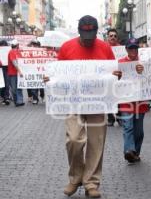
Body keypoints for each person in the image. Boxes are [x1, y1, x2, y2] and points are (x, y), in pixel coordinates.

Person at [45, 15, 121, 198]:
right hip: (73, 102)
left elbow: (114, 75)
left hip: (97, 102)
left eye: (92, 36)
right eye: (85, 35)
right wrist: (50, 80)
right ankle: (75, 177)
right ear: (79, 31)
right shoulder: (67, 47)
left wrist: (117, 75)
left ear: (96, 33)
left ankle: (91, 183)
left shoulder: (104, 47)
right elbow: (58, 74)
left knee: (96, 143)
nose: (88, 40)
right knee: (73, 139)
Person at [119, 38, 149, 163]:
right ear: (126, 49)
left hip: (140, 101)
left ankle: (135, 152)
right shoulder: (120, 63)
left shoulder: (144, 62)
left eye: (135, 48)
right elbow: (115, 80)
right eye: (130, 48)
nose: (133, 50)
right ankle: (128, 151)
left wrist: (144, 72)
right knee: (128, 127)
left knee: (139, 132)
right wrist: (117, 75)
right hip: (126, 101)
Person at [106, 28, 122, 126]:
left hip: (119, 77)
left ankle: (119, 117)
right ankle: (110, 118)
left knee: (119, 98)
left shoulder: (121, 48)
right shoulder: (104, 47)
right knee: (108, 97)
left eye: (115, 36)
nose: (113, 37)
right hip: (108, 77)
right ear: (108, 37)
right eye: (111, 36)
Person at [8, 40, 24, 107]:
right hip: (13, 73)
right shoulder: (12, 52)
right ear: (17, 45)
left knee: (19, 87)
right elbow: (14, 63)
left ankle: (20, 101)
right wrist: (20, 71)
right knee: (14, 88)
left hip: (17, 73)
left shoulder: (18, 52)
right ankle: (16, 101)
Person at [0, 40, 10, 105]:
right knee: (2, 84)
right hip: (1, 68)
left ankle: (6, 98)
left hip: (6, 68)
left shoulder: (8, 50)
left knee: (6, 84)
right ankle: (3, 97)